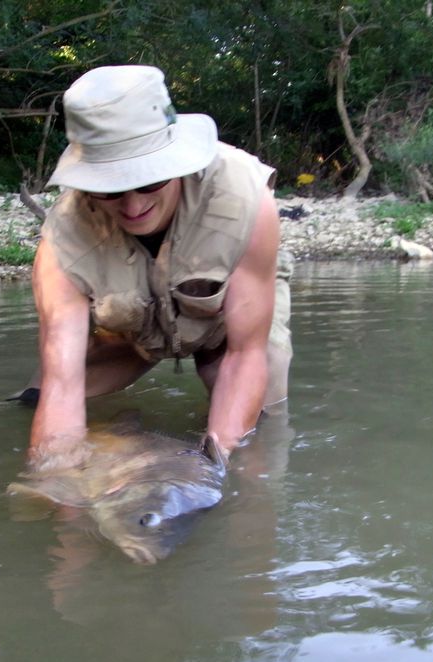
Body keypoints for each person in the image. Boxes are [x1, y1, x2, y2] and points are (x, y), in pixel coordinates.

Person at [23, 65, 292, 472]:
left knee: (259, 434)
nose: (133, 206)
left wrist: (209, 471)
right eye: (110, 189)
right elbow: (62, 386)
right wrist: (68, 513)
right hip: (133, 332)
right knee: (37, 407)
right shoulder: (62, 242)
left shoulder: (247, 203)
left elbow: (245, 354)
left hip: (227, 333)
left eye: (149, 182)